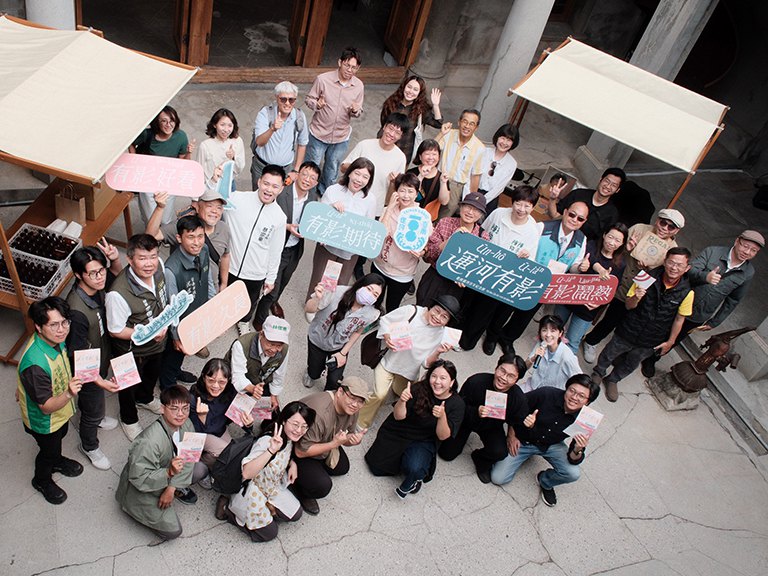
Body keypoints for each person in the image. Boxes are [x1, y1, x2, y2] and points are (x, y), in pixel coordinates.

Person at [642, 230, 763, 377]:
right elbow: (688, 271)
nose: (747, 252)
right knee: (658, 326)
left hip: (700, 313)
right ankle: (638, 350)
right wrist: (706, 277)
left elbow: (733, 300)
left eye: (753, 251)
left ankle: (652, 359)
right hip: (680, 301)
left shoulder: (748, 272)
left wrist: (715, 321)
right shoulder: (713, 252)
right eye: (745, 246)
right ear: (737, 241)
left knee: (676, 338)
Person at [582, 208, 685, 363]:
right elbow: (614, 246)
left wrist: (650, 269)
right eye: (663, 222)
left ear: (676, 231)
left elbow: (667, 272)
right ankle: (577, 333)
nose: (665, 228)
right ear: (657, 220)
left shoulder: (673, 249)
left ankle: (591, 341)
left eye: (671, 227)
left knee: (613, 318)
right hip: (617, 275)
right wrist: (627, 249)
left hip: (636, 288)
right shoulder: (639, 229)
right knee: (591, 306)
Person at [591, 247, 693, 402]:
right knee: (610, 352)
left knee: (631, 363)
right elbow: (629, 305)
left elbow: (679, 319)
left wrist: (670, 341)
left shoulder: (687, 292)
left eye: (679, 265)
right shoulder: (645, 276)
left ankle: (613, 379)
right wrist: (636, 298)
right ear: (665, 262)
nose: (674, 267)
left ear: (687, 268)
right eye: (671, 262)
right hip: (629, 328)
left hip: (652, 338)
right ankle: (598, 373)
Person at [495, 201, 589, 356]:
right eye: (572, 214)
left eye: (580, 218)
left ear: (584, 221)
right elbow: (527, 247)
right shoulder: (543, 227)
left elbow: (574, 266)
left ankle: (507, 339)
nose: (574, 220)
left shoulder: (581, 239)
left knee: (526, 314)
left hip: (546, 285)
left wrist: (580, 267)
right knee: (506, 307)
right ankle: (492, 335)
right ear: (565, 212)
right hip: (525, 276)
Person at [491, 374, 599, 507]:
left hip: (551, 444)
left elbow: (573, 457)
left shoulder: (586, 419)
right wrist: (512, 435)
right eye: (572, 390)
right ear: (566, 388)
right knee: (498, 478)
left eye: (581, 396)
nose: (574, 397)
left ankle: (545, 481)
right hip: (524, 438)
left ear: (587, 402)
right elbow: (516, 407)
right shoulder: (546, 394)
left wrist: (578, 450)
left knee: (573, 473)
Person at [458, 185, 542, 352]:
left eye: (527, 206)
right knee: (467, 301)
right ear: (513, 202)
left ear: (533, 207)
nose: (521, 209)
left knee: (484, 311)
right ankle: (454, 332)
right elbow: (482, 232)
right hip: (480, 266)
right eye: (519, 203)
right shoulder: (498, 214)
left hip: (500, 277)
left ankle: (466, 342)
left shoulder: (532, 230)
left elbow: (530, 259)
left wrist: (525, 256)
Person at [357, 294, 461, 429]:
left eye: (444, 317)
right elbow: (385, 321)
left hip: (409, 372)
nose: (438, 317)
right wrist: (388, 338)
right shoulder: (412, 311)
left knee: (405, 394)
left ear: (448, 322)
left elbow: (426, 364)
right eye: (437, 311)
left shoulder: (442, 335)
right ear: (430, 307)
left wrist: (439, 351)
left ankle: (392, 395)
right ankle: (361, 422)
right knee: (379, 394)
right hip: (389, 363)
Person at [365, 359, 464, 499]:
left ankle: (417, 476)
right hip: (402, 429)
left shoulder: (457, 404)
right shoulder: (419, 388)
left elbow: (443, 436)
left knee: (413, 467)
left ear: (452, 382)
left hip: (424, 440)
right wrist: (402, 400)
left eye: (443, 378)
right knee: (376, 468)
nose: (437, 382)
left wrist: (442, 417)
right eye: (434, 376)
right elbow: (399, 416)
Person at [17, 297, 83, 505]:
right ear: (38, 326)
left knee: (62, 433)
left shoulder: (55, 340)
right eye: (54, 325)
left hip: (60, 412)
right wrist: (69, 394)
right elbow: (45, 408)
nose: (62, 329)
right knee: (48, 450)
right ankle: (42, 479)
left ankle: (56, 461)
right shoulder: (35, 364)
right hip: (45, 421)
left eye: (65, 322)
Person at [220, 401, 316, 542]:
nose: (299, 430)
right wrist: (271, 450)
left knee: (295, 514)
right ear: (284, 421)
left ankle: (267, 507)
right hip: (252, 489)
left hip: (270, 486)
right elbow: (246, 473)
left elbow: (285, 455)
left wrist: (292, 463)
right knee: (270, 533)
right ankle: (228, 510)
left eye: (304, 427)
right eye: (295, 424)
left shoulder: (289, 438)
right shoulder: (268, 441)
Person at [106, 234, 170, 441]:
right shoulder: (117, 293)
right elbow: (116, 330)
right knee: (127, 387)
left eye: (153, 256)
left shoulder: (159, 266)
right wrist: (149, 333)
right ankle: (129, 419)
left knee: (152, 374)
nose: (149, 263)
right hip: (130, 351)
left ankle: (145, 398)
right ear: (130, 259)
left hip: (158, 343)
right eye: (142, 258)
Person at [65, 243, 123, 470]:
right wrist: (99, 381)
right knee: (91, 406)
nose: (100, 277)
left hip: (101, 353)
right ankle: (89, 445)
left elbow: (118, 278)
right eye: (93, 273)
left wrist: (115, 260)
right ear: (79, 275)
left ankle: (97, 418)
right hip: (87, 368)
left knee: (96, 400)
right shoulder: (76, 310)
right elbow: (79, 356)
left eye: (102, 270)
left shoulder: (97, 286)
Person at [115, 385, 197, 540]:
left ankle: (174, 489)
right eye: (174, 409)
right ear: (162, 408)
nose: (181, 414)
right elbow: (138, 477)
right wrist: (168, 473)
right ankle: (131, 508)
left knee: (200, 469)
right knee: (173, 532)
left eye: (185, 408)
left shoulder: (187, 424)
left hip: (167, 475)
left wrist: (171, 488)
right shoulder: (149, 441)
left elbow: (190, 456)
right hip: (143, 486)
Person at [438, 353, 528, 483]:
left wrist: (512, 435)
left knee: (500, 452)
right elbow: (457, 407)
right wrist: (476, 411)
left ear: (517, 380)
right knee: (446, 454)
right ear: (496, 368)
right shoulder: (476, 381)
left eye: (511, 376)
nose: (503, 378)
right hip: (466, 420)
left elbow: (516, 418)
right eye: (502, 371)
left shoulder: (517, 398)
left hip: (492, 426)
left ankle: (479, 457)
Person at [253, 161, 320, 331]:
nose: (307, 180)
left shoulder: (312, 199)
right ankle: (259, 319)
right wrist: (288, 226)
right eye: (305, 174)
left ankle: (273, 302)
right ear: (298, 174)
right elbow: (266, 216)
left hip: (295, 248)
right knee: (271, 285)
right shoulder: (282, 193)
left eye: (313, 178)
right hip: (277, 246)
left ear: (316, 183)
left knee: (284, 281)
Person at [292, 377, 370, 515]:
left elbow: (347, 436)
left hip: (324, 440)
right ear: (340, 392)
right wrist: (333, 444)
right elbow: (300, 451)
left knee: (342, 467)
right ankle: (298, 488)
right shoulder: (320, 414)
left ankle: (310, 472)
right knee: (322, 486)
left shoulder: (352, 410)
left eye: (360, 401)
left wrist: (351, 440)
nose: (355, 404)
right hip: (297, 446)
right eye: (352, 398)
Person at [225, 164, 288, 336]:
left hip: (255, 272)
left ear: (281, 189)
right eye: (266, 183)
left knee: (249, 302)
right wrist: (216, 177)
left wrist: (271, 277)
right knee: (222, 299)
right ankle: (220, 322)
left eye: (275, 186)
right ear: (259, 182)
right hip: (229, 265)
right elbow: (214, 200)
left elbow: (276, 250)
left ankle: (244, 322)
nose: (269, 190)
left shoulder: (279, 217)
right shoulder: (237, 199)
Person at [304, 158, 377, 299]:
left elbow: (369, 227)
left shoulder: (370, 199)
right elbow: (319, 217)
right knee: (319, 277)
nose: (359, 180)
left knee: (341, 282)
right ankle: (311, 304)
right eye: (357, 173)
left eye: (365, 177)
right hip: (327, 246)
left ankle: (330, 308)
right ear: (349, 173)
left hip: (350, 251)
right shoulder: (333, 190)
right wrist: (331, 208)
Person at [555, 223, 627, 355]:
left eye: (617, 240)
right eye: (610, 237)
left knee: (572, 342)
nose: (612, 242)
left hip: (588, 308)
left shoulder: (620, 264)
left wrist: (600, 303)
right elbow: (590, 257)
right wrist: (597, 268)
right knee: (554, 327)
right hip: (568, 296)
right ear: (604, 235)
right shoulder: (591, 245)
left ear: (622, 244)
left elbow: (613, 288)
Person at [304, 274, 385, 390]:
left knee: (334, 380)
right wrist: (317, 298)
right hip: (318, 340)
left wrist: (343, 353)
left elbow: (358, 331)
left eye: (375, 294)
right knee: (314, 370)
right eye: (369, 289)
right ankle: (311, 374)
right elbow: (309, 309)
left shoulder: (371, 313)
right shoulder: (337, 292)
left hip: (339, 346)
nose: (370, 295)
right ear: (360, 285)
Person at [158, 215, 212, 391]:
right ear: (179, 238)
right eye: (191, 237)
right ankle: (168, 384)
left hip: (197, 313)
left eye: (200, 236)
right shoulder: (171, 269)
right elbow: (172, 308)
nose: (197, 242)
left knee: (182, 354)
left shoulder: (203, 250)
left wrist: (213, 308)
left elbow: (208, 278)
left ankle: (175, 371)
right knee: (174, 353)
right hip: (181, 322)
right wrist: (175, 336)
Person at [305, 47, 365, 195]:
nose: (349, 70)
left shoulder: (358, 86)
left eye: (354, 67)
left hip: (340, 136)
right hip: (319, 132)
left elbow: (358, 111)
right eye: (347, 65)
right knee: (313, 165)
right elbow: (309, 99)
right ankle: (309, 193)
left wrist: (355, 110)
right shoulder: (323, 79)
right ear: (340, 62)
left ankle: (326, 193)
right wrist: (316, 104)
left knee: (332, 167)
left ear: (358, 68)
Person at [147, 187, 231, 293]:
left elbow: (225, 256)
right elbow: (150, 236)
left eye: (219, 208)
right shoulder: (183, 225)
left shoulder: (224, 228)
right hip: (185, 291)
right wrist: (160, 208)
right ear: (197, 207)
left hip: (211, 289)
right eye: (209, 206)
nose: (214, 211)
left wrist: (223, 284)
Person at [415, 191, 489, 306]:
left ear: (481, 215)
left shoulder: (483, 236)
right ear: (460, 207)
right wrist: (452, 240)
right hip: (436, 276)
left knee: (442, 319)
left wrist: (466, 278)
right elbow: (430, 254)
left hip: (457, 286)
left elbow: (480, 267)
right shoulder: (445, 222)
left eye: (476, 210)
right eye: (468, 207)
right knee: (421, 309)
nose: (470, 212)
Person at [372, 172, 433, 311]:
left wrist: (422, 252)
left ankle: (385, 328)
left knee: (392, 306)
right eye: (402, 190)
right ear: (396, 191)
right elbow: (379, 234)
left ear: (417, 193)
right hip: (379, 265)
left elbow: (427, 244)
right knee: (375, 301)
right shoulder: (388, 210)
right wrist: (389, 208)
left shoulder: (422, 216)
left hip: (402, 273)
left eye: (410, 191)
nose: (406, 195)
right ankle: (373, 319)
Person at [188, 358, 249, 488]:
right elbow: (193, 434)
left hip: (219, 429)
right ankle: (197, 466)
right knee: (226, 453)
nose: (216, 386)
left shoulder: (230, 391)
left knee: (233, 453)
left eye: (222, 382)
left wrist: (247, 423)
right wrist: (202, 416)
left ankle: (205, 463)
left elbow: (232, 418)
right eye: (211, 380)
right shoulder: (193, 397)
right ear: (203, 377)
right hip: (199, 433)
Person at [130, 105, 192, 225]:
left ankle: (162, 238)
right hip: (148, 179)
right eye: (164, 121)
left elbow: (183, 163)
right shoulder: (147, 134)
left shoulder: (181, 136)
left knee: (165, 218)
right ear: (157, 123)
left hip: (169, 179)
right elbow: (131, 142)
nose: (168, 125)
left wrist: (189, 152)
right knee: (149, 217)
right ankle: (151, 238)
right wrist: (135, 160)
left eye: (172, 121)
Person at [340, 112, 409, 216]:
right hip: (348, 202)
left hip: (374, 209)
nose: (392, 134)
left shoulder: (400, 158)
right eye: (390, 128)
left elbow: (394, 194)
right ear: (384, 127)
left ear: (401, 137)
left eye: (397, 133)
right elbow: (342, 167)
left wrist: (393, 182)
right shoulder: (365, 145)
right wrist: (358, 169)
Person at [250, 81, 309, 187]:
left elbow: (302, 144)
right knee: (258, 198)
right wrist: (272, 129)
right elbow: (259, 142)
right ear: (277, 98)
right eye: (283, 99)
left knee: (281, 200)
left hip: (285, 169)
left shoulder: (299, 116)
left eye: (291, 100)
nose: (287, 103)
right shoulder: (265, 113)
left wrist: (296, 170)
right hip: (262, 167)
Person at [227, 315, 291, 412]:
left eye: (279, 346)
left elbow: (279, 375)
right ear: (261, 334)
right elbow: (237, 376)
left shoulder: (284, 350)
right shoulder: (241, 345)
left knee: (273, 411)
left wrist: (274, 395)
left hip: (260, 382)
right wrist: (252, 389)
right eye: (271, 344)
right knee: (232, 411)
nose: (274, 350)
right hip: (236, 381)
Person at [379, 75, 443, 163]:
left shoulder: (421, 110)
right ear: (404, 86)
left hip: (404, 151)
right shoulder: (391, 103)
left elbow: (438, 124)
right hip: (384, 145)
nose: (410, 91)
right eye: (409, 87)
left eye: (415, 89)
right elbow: (383, 122)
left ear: (419, 93)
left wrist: (436, 105)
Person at [547, 167, 624, 241]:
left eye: (614, 185)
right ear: (600, 179)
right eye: (607, 181)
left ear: (617, 190)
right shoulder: (578, 194)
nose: (608, 186)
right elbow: (554, 215)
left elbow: (600, 241)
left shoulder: (612, 214)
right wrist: (553, 199)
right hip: (555, 235)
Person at [436, 109, 485, 218]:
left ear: (476, 127)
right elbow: (431, 149)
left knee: (446, 213)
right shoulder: (449, 134)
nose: (467, 126)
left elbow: (475, 175)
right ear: (459, 122)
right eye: (465, 121)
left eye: (472, 124)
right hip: (439, 176)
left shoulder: (479, 148)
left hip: (456, 186)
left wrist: (472, 200)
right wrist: (441, 133)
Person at [520, 315, 582, 393]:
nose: (548, 335)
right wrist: (533, 359)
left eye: (553, 331)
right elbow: (523, 367)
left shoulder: (567, 356)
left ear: (560, 333)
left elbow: (580, 380)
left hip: (551, 396)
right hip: (533, 385)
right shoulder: (541, 344)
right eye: (544, 330)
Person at [469, 123, 520, 213]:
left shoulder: (512, 163)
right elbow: (472, 174)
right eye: (503, 138)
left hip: (490, 199)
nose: (504, 143)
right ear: (497, 137)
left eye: (509, 140)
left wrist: (481, 202)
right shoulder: (484, 152)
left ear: (513, 143)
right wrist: (472, 195)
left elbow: (499, 188)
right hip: (473, 191)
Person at [195, 108, 246, 189]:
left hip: (229, 184)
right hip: (211, 186)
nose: (226, 130)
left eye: (230, 125)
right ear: (215, 125)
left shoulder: (237, 141)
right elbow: (198, 172)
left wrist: (233, 157)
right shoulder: (205, 145)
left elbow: (240, 168)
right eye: (222, 125)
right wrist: (195, 198)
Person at [407, 139, 450, 217]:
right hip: (408, 214)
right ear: (420, 156)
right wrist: (421, 176)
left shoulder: (442, 177)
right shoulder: (411, 173)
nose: (431, 158)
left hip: (427, 219)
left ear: (439, 157)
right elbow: (408, 196)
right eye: (427, 154)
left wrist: (443, 182)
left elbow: (444, 201)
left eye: (434, 154)